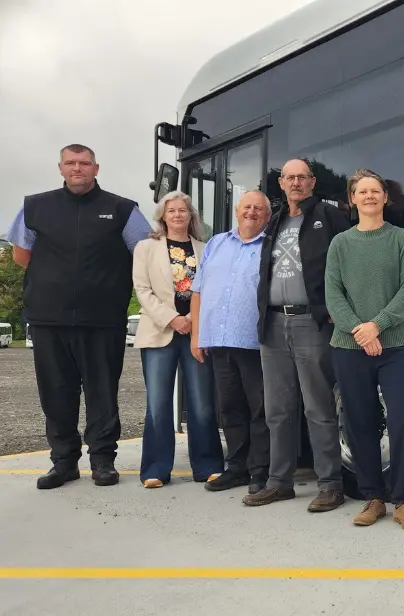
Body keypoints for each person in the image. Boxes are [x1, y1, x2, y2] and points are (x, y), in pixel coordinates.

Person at [5, 143, 153, 489]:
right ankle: (64, 463)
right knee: (56, 394)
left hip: (103, 320)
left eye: (84, 163)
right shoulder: (35, 206)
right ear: (60, 168)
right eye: (70, 163)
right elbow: (21, 256)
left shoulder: (122, 209)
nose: (77, 168)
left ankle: (102, 461)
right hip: (48, 319)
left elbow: (144, 254)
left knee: (102, 393)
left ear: (96, 168)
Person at [244, 158, 350, 510]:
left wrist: (338, 307)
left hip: (311, 322)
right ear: (281, 183)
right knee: (278, 409)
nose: (295, 183)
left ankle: (331, 484)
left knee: (318, 407)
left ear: (312, 182)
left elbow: (346, 263)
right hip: (273, 325)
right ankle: (280, 482)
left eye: (302, 177)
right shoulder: (273, 222)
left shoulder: (329, 216)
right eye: (289, 178)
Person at [324, 168, 404, 532]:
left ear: (385, 197)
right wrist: (359, 331)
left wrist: (376, 326)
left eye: (375, 191)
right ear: (352, 199)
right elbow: (333, 294)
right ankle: (373, 498)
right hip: (349, 347)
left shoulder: (402, 240)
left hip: (395, 346)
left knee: (401, 423)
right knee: (360, 423)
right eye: (362, 192)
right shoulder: (340, 244)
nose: (369, 196)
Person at [131, 191, 225, 488]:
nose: (177, 215)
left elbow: (211, 290)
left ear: (191, 216)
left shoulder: (205, 248)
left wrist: (193, 322)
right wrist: (173, 319)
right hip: (160, 331)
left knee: (201, 403)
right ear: (163, 216)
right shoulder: (146, 248)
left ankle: (207, 465)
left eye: (183, 210)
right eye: (171, 211)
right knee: (158, 404)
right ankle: (156, 469)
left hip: (196, 332)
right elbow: (142, 291)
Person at [191, 190, 272, 495]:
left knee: (260, 409)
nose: (252, 212)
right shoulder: (216, 243)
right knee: (230, 408)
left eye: (259, 209)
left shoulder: (270, 247)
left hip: (255, 342)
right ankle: (236, 467)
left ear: (266, 216)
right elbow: (198, 291)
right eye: (247, 206)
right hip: (219, 340)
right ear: (237, 211)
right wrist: (197, 336)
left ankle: (260, 471)